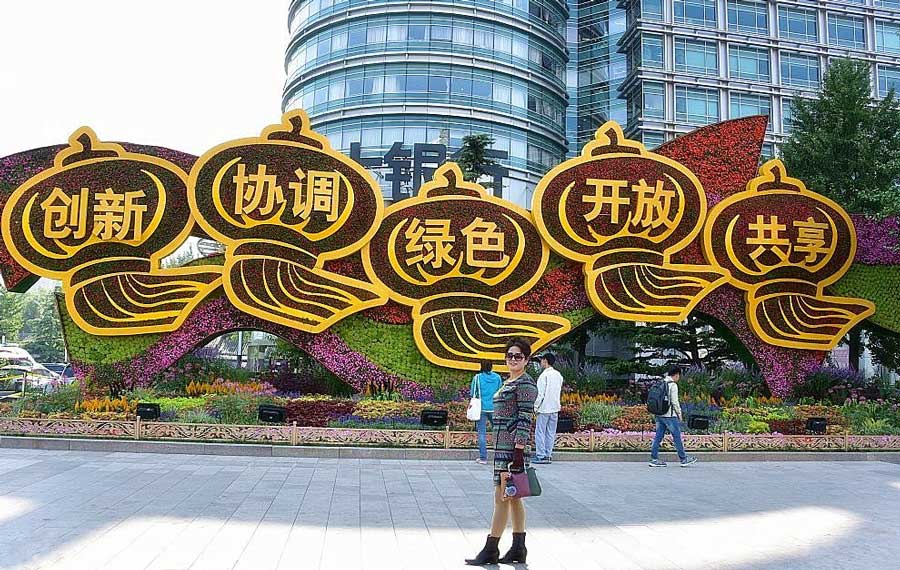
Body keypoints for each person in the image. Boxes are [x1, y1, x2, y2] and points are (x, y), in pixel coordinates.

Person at [465, 338, 537, 566]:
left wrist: (518, 450)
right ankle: (518, 549)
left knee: (502, 499)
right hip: (502, 448)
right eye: (510, 356)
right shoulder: (508, 381)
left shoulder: (525, 383)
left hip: (512, 450)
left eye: (518, 356)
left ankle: (491, 549)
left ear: (526, 359)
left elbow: (526, 418)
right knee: (514, 499)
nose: (513, 360)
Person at [649, 366, 698, 467]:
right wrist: (679, 414)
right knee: (676, 437)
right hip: (670, 415)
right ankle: (683, 459)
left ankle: (654, 459)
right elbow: (675, 402)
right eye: (679, 375)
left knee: (658, 436)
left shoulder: (661, 382)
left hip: (659, 414)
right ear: (676, 375)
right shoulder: (673, 385)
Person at [532, 352, 563, 464]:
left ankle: (540, 455)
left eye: (541, 360)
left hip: (544, 408)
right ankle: (548, 454)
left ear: (545, 361)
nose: (540, 362)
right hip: (555, 408)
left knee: (540, 432)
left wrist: (535, 407)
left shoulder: (543, 376)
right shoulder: (558, 375)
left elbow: (540, 394)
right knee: (550, 432)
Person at [471, 360, 502, 465]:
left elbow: (473, 392)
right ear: (492, 367)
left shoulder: (477, 378)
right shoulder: (497, 378)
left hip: (481, 408)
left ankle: (483, 458)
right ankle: (501, 456)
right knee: (499, 432)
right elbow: (500, 392)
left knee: (482, 433)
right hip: (495, 408)